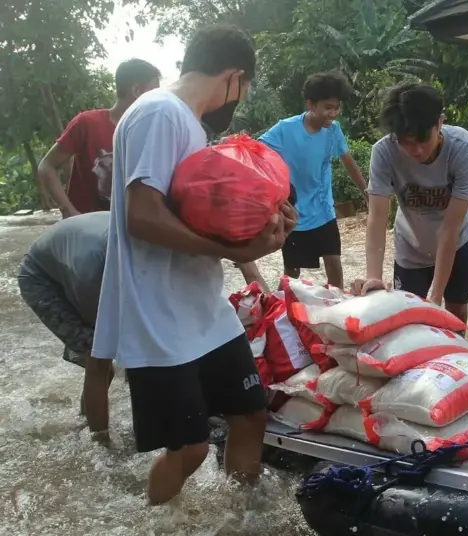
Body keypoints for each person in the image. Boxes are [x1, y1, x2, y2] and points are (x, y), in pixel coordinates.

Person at [91, 24, 297, 505]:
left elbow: (200, 215)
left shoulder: (187, 123)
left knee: (250, 416)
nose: (238, 101)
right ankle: (156, 520)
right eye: (242, 90)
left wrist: (266, 223)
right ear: (235, 77)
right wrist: (236, 252)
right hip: (159, 318)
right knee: (191, 449)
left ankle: (237, 517)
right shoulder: (161, 113)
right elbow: (142, 217)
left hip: (202, 309)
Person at [353, 83, 468, 327]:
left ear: (440, 122)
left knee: (456, 315)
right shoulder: (383, 152)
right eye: (406, 142)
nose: (417, 150)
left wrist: (435, 297)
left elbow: (450, 228)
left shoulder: (466, 150)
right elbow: (378, 218)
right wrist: (373, 277)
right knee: (410, 322)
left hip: (456, 244)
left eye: (423, 139)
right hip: (410, 249)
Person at [260, 71, 367, 289]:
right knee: (292, 272)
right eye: (328, 107)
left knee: (334, 264)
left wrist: (366, 192)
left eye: (336, 108)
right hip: (293, 211)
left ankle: (336, 309)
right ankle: (280, 310)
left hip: (323, 210)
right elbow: (257, 152)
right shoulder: (284, 129)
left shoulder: (333, 131)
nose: (333, 113)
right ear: (311, 104)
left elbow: (348, 161)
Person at [17, 212, 115, 442]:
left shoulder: (144, 240)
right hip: (40, 279)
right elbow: (105, 337)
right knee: (99, 359)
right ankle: (99, 439)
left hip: (69, 258)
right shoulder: (92, 272)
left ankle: (86, 416)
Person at [38, 59, 161, 218]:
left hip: (128, 230)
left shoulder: (151, 132)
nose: (159, 100)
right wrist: (69, 211)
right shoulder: (87, 123)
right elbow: (46, 166)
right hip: (86, 227)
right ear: (137, 90)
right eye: (155, 93)